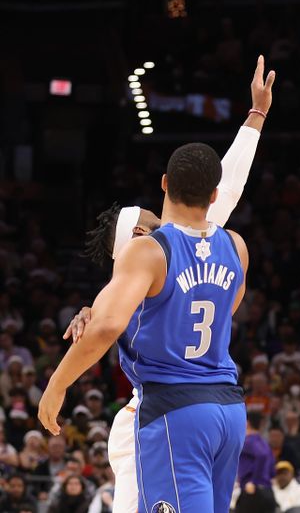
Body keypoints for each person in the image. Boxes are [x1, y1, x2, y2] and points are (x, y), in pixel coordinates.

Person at [61, 55, 275, 513]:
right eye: (147, 221)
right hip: (170, 412)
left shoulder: (170, 251)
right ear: (136, 238)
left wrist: (255, 118)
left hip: (182, 409)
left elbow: (226, 184)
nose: (156, 219)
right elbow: (225, 190)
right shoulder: (162, 254)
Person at [39, 140, 250, 513]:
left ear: (165, 183)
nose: (158, 226)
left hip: (173, 410)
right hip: (228, 410)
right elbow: (226, 307)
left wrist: (56, 386)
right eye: (150, 224)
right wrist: (256, 117)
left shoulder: (152, 255)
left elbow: (106, 326)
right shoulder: (234, 244)